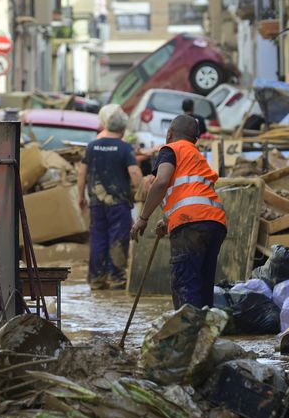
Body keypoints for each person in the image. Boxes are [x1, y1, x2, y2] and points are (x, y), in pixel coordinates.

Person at [130, 114, 227, 309]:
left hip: (191, 225)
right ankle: (204, 335)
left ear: (169, 133)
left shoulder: (170, 149)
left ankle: (187, 336)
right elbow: (192, 193)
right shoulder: (197, 157)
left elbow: (162, 181)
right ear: (196, 139)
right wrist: (168, 220)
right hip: (215, 224)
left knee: (186, 285)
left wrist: (143, 218)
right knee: (203, 287)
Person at [77, 104, 143, 290]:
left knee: (98, 238)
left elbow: (82, 173)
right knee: (118, 238)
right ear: (123, 128)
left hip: (96, 203)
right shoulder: (124, 148)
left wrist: (80, 196)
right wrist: (143, 193)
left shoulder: (92, 147)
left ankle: (97, 280)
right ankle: (116, 278)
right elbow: (135, 174)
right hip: (118, 204)